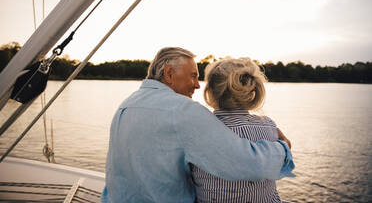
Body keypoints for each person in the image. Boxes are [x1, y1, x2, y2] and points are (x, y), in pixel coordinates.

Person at [101, 47, 294, 203]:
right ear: (169, 74)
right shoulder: (181, 110)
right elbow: (245, 162)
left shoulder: (126, 104)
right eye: (193, 76)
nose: (197, 85)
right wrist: (283, 148)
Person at [191, 57, 292, 202]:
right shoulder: (268, 126)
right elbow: (281, 162)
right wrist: (286, 146)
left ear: (211, 90)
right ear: (251, 89)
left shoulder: (196, 131)